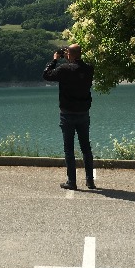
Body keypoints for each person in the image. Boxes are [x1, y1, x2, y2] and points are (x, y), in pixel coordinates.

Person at [42, 43, 96, 190]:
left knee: (69, 149)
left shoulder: (64, 69)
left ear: (69, 54)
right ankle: (90, 180)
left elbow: (46, 75)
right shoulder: (89, 68)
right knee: (86, 148)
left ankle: (72, 181)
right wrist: (70, 58)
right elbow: (78, 70)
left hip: (67, 114)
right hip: (83, 113)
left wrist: (55, 60)